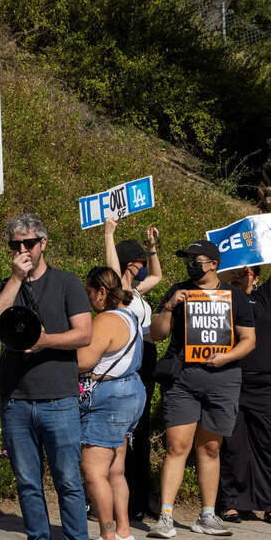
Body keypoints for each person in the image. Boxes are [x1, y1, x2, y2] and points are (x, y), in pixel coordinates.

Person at [0, 213, 97, 540]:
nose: (22, 250)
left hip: (58, 399)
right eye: (15, 245)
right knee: (28, 482)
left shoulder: (66, 283)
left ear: (43, 243)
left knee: (68, 481)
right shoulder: (6, 284)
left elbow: (83, 335)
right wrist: (16, 279)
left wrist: (43, 340)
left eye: (28, 243)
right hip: (16, 399)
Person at [147, 240, 255, 539]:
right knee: (177, 446)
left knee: (210, 447)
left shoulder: (234, 296)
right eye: (188, 258)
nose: (192, 263)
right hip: (183, 378)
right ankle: (165, 516)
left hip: (222, 379)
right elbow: (156, 335)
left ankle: (207, 515)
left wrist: (227, 356)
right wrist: (169, 307)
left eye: (198, 258)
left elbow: (249, 339)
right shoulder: (178, 290)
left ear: (214, 264)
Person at [216, 253, 271, 526]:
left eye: (249, 271)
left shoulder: (265, 297)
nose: (244, 273)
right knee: (233, 443)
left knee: (263, 442)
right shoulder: (224, 295)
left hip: (263, 381)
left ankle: (268, 504)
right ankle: (231, 503)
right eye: (241, 271)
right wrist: (235, 272)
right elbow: (213, 278)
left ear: (258, 278)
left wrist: (266, 243)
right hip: (232, 376)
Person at [76, 266, 146, 540]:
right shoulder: (131, 315)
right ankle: (125, 532)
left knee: (93, 471)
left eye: (90, 293)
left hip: (109, 399)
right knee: (116, 470)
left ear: (102, 292)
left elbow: (83, 361)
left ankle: (107, 537)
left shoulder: (105, 321)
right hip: (131, 394)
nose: (88, 299)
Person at [102, 218, 163, 521]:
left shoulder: (138, 290)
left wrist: (152, 247)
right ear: (129, 263)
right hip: (127, 360)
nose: (143, 265)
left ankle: (139, 495)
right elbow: (113, 272)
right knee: (125, 432)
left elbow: (158, 275)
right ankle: (119, 497)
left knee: (141, 430)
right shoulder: (118, 292)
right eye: (139, 260)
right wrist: (109, 234)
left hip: (146, 357)